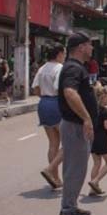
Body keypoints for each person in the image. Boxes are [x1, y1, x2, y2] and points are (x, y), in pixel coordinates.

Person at [57, 33, 98, 215]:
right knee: (75, 170)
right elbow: (70, 92)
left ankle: (71, 205)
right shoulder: (73, 68)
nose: (92, 48)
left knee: (76, 169)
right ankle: (68, 212)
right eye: (90, 45)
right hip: (75, 126)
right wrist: (86, 118)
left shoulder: (76, 67)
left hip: (76, 125)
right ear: (81, 47)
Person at [33, 45, 66, 190]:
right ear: (59, 54)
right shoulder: (59, 68)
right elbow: (60, 89)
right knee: (68, 143)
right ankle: (50, 170)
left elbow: (35, 89)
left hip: (43, 104)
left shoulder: (42, 68)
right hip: (56, 104)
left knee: (53, 143)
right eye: (64, 54)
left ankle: (56, 178)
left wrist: (45, 97)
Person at [88, 84, 107, 196]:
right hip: (102, 139)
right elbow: (106, 126)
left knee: (96, 163)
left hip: (92, 138)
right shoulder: (105, 111)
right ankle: (95, 181)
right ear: (103, 97)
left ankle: (93, 189)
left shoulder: (91, 109)